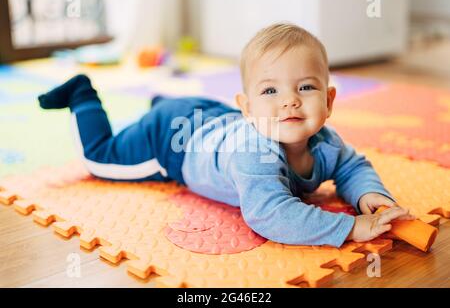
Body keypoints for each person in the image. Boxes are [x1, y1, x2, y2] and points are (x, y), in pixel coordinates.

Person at [38, 23, 415, 247]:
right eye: (270, 91)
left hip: (209, 117)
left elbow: (352, 167)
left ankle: (161, 101)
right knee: (100, 159)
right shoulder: (254, 153)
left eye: (305, 88)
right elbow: (270, 214)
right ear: (248, 107)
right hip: (171, 141)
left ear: (329, 100)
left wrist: (371, 195)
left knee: (185, 112)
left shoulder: (326, 142)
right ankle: (82, 94)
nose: (289, 104)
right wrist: (349, 227)